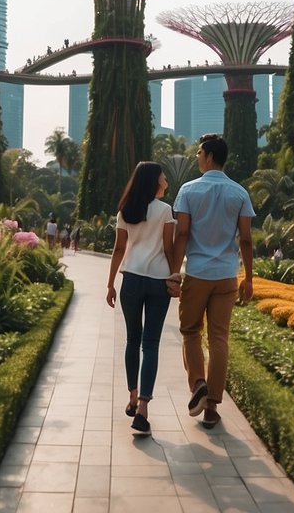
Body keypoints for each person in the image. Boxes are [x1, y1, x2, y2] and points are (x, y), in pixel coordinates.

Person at [168, 133, 255, 430]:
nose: (196, 157)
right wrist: (249, 279)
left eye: (198, 153)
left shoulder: (189, 190)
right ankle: (212, 408)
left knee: (191, 331)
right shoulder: (239, 193)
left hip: (197, 273)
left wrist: (174, 272)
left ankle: (198, 384)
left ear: (207, 155)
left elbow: (181, 234)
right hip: (227, 276)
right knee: (219, 338)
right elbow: (245, 239)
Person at [106, 162, 177, 436]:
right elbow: (169, 248)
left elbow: (118, 249)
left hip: (131, 279)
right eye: (162, 176)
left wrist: (110, 283)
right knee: (151, 344)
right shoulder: (165, 211)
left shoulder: (126, 210)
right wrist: (174, 276)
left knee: (132, 340)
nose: (165, 179)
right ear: (153, 181)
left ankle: (132, 396)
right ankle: (144, 408)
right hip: (158, 281)